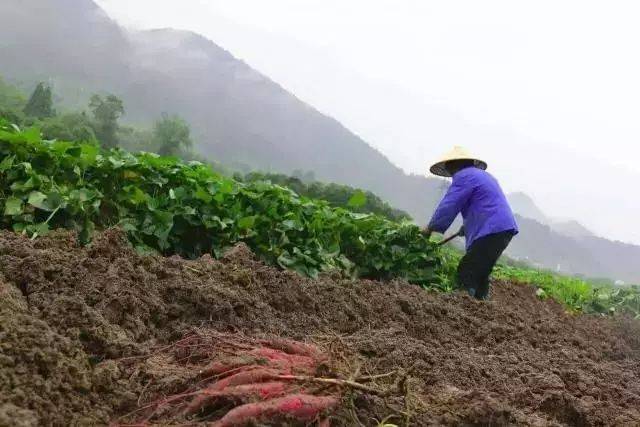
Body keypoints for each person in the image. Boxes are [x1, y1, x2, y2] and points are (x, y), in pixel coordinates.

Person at [422, 146, 518, 300]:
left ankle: (463, 306)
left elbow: (449, 204)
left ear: (455, 165)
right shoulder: (481, 176)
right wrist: (465, 227)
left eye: (449, 168)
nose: (451, 173)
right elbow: (484, 205)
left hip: (492, 229)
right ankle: (480, 308)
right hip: (502, 228)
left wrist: (430, 228)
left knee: (467, 270)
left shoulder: (464, 176)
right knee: (480, 272)